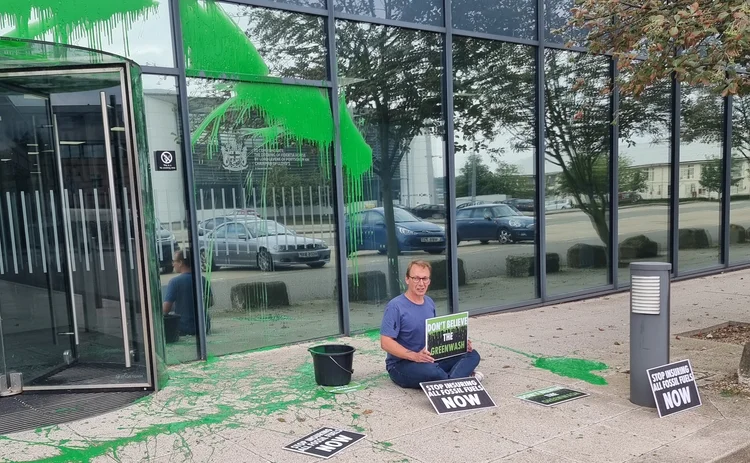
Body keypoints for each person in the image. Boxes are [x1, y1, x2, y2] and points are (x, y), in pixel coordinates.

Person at [380, 260, 482, 389]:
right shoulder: (395, 306)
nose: (421, 283)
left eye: (425, 279)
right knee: (433, 371)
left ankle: (449, 381)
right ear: (407, 279)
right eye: (416, 278)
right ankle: (458, 379)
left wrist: (460, 344)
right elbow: (385, 342)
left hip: (429, 358)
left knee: (472, 355)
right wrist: (415, 356)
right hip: (402, 364)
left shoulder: (429, 302)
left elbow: (435, 336)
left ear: (429, 281)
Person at [162, 249, 213, 335]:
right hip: (204, 327)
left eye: (174, 261)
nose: (172, 264)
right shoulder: (203, 280)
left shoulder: (174, 282)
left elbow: (165, 310)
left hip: (183, 329)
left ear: (181, 262)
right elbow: (210, 302)